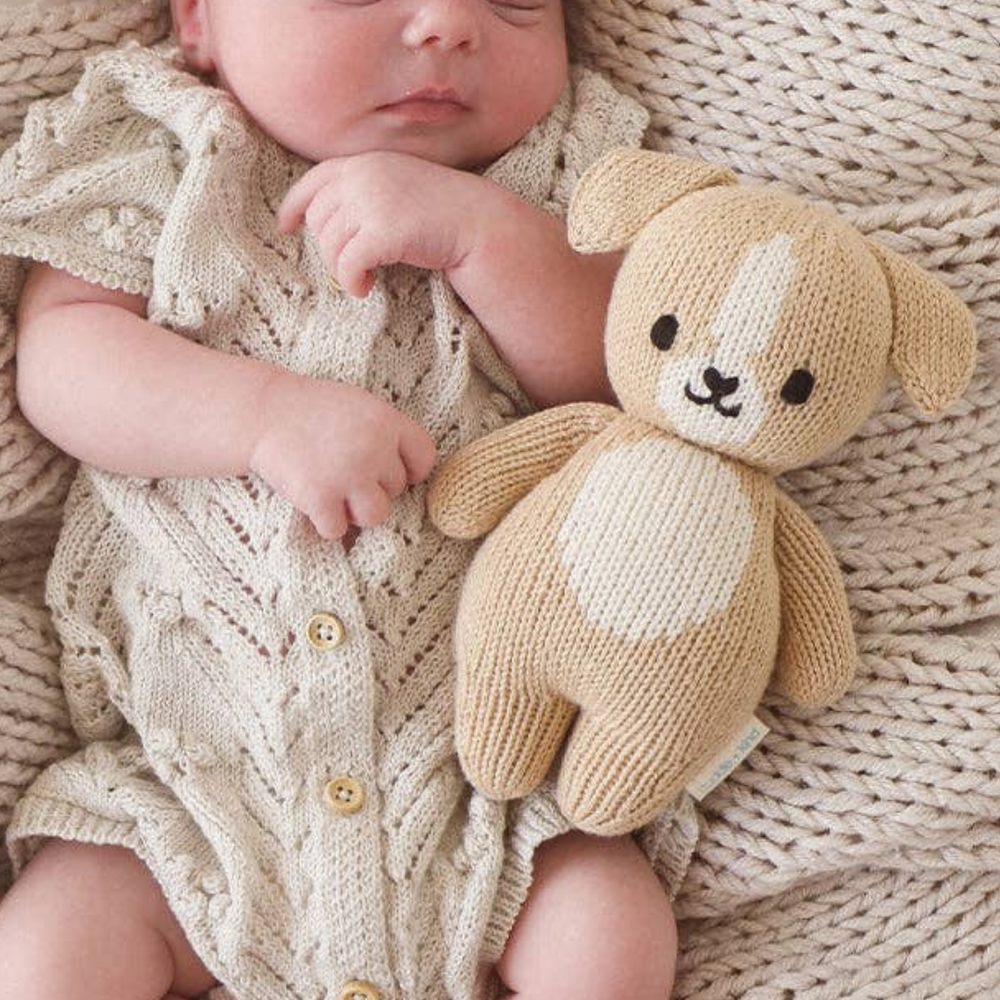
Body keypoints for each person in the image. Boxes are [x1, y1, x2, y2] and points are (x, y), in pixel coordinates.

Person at [0, 1, 677, 998]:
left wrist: (480, 237)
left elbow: (617, 374)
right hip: (189, 788)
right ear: (198, 20)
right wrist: (260, 418)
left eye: (518, 3)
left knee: (609, 929)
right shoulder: (155, 144)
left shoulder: (567, 166)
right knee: (53, 945)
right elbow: (62, 363)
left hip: (488, 792)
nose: (450, 24)